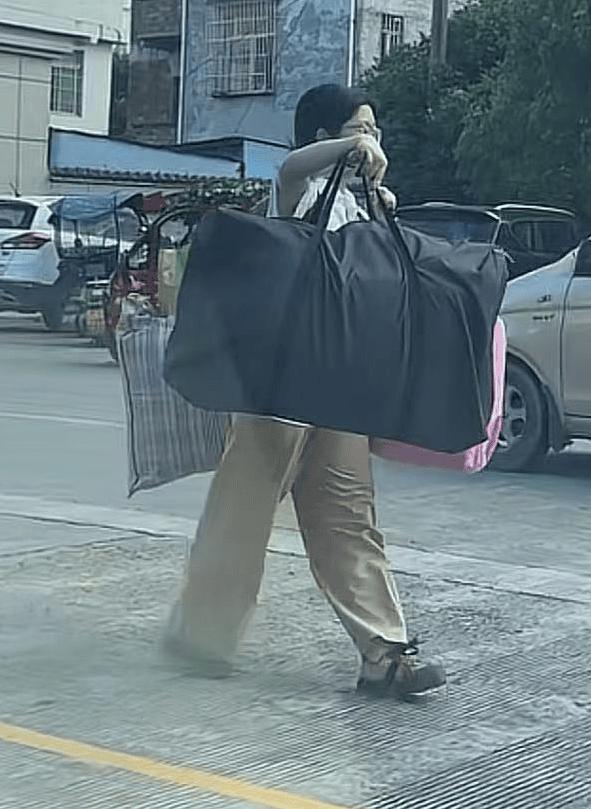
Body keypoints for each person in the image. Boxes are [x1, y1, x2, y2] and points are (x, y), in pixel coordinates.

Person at [164, 83, 445, 701]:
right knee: (241, 515)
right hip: (279, 389)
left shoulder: (367, 204)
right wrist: (350, 153)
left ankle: (385, 652)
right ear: (327, 137)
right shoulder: (301, 189)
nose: (372, 142)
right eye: (360, 128)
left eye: (373, 131)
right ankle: (200, 637)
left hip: (340, 390)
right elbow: (290, 165)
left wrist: (375, 190)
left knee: (349, 519)